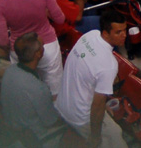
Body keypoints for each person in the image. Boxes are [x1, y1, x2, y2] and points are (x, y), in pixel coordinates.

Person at [55, 11, 129, 147]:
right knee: (116, 137)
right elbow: (97, 106)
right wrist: (95, 136)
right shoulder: (109, 65)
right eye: (118, 32)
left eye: (125, 30)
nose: (124, 35)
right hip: (80, 117)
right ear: (106, 33)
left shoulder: (91, 35)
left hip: (62, 104)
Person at [2, 32, 62, 144]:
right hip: (36, 138)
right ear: (38, 54)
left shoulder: (9, 71)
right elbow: (51, 121)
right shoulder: (38, 88)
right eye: (42, 47)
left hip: (14, 129)